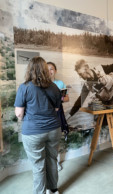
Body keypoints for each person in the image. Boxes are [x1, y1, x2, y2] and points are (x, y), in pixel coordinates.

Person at [14, 57, 61, 194]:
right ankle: (53, 190)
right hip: (53, 130)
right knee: (52, 159)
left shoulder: (24, 87)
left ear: (30, 69)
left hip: (33, 132)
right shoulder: (55, 87)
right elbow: (56, 110)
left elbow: (19, 113)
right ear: (46, 70)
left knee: (38, 165)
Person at [47, 61, 69, 172]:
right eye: (47, 69)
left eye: (51, 69)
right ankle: (48, 163)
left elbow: (67, 98)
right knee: (47, 138)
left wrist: (59, 97)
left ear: (55, 71)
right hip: (46, 113)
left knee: (56, 138)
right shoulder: (42, 84)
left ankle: (55, 162)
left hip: (58, 112)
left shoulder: (60, 83)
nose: (49, 71)